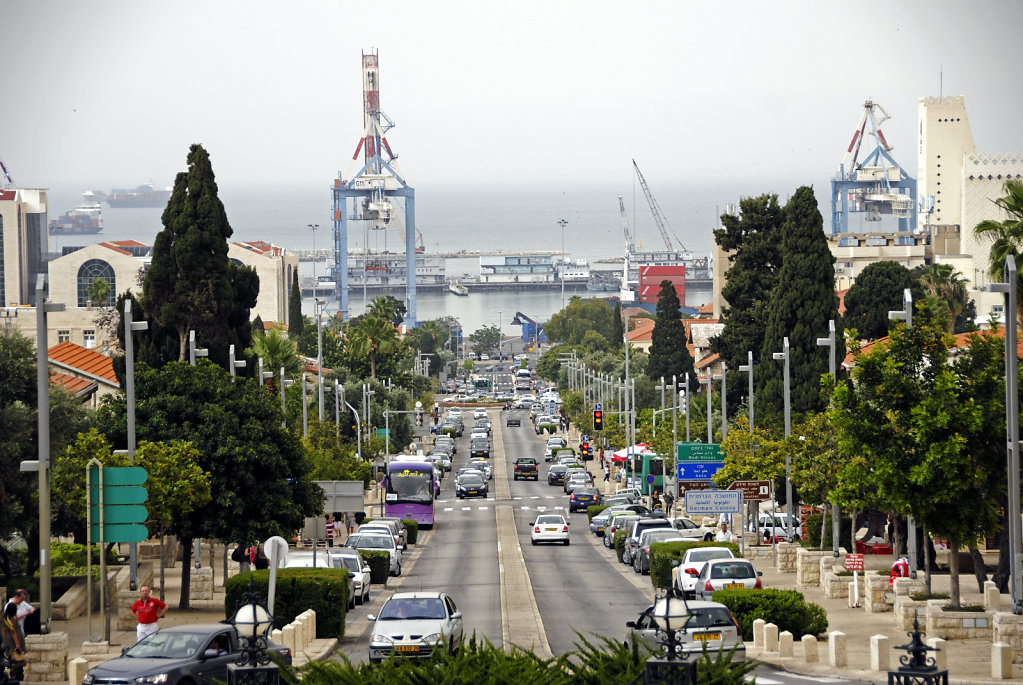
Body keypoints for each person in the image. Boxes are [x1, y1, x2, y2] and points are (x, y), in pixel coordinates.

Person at [1, 602, 26, 682]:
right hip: (13, 642)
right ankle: (15, 676)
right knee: (15, 659)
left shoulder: (5, 619)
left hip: (8, 641)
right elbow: (13, 632)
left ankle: (18, 675)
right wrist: (17, 644)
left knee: (15, 658)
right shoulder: (11, 620)